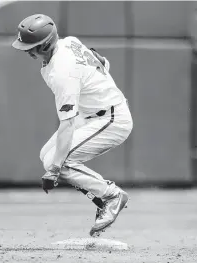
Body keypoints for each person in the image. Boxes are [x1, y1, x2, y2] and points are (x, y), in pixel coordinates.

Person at [12, 14, 133, 237]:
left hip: (111, 119)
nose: (26, 50)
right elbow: (104, 62)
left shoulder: (62, 71)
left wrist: (55, 171)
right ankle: (100, 198)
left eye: (32, 46)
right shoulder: (69, 42)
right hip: (91, 114)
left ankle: (111, 196)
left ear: (47, 44)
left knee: (57, 161)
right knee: (45, 155)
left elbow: (67, 124)